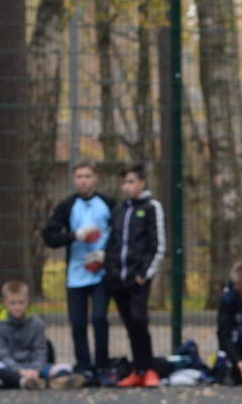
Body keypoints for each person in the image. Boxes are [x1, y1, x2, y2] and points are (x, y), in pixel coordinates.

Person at [42, 161, 112, 381]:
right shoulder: (66, 206)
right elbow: (50, 236)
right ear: (74, 180)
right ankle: (84, 365)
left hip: (101, 272)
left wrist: (106, 255)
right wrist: (74, 236)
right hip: (76, 273)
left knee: (100, 318)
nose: (84, 180)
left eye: (88, 176)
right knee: (78, 322)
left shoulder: (108, 204)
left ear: (96, 178)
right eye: (79, 176)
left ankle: (102, 365)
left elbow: (120, 234)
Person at [104, 163, 166, 387]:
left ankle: (148, 368)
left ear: (142, 183)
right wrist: (110, 270)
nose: (127, 186)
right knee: (129, 324)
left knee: (140, 321)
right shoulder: (120, 209)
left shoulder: (151, 207)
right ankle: (137, 370)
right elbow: (113, 242)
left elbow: (158, 245)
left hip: (138, 278)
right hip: (118, 278)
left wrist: (144, 274)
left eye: (131, 181)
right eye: (124, 182)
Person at [0, 279, 77, 388]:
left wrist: (34, 369)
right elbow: (1, 354)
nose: (17, 307)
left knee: (65, 367)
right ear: (5, 303)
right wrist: (20, 370)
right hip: (12, 368)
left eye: (21, 302)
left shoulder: (37, 323)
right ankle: (24, 382)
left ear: (27, 301)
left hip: (34, 368)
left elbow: (40, 350)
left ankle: (59, 381)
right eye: (13, 303)